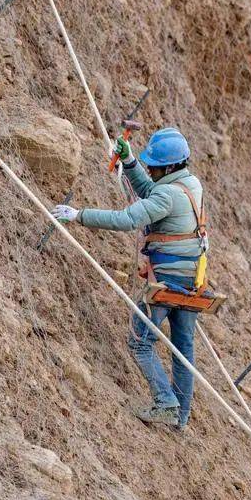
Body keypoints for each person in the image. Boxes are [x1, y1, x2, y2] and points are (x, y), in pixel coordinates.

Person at [52, 128, 206, 431]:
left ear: (170, 167)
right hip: (192, 279)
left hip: (168, 281)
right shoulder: (190, 184)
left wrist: (78, 215)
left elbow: (127, 219)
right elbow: (152, 193)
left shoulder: (167, 194)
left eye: (155, 166)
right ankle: (181, 416)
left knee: (139, 342)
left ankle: (166, 403)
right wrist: (131, 162)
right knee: (183, 350)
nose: (151, 169)